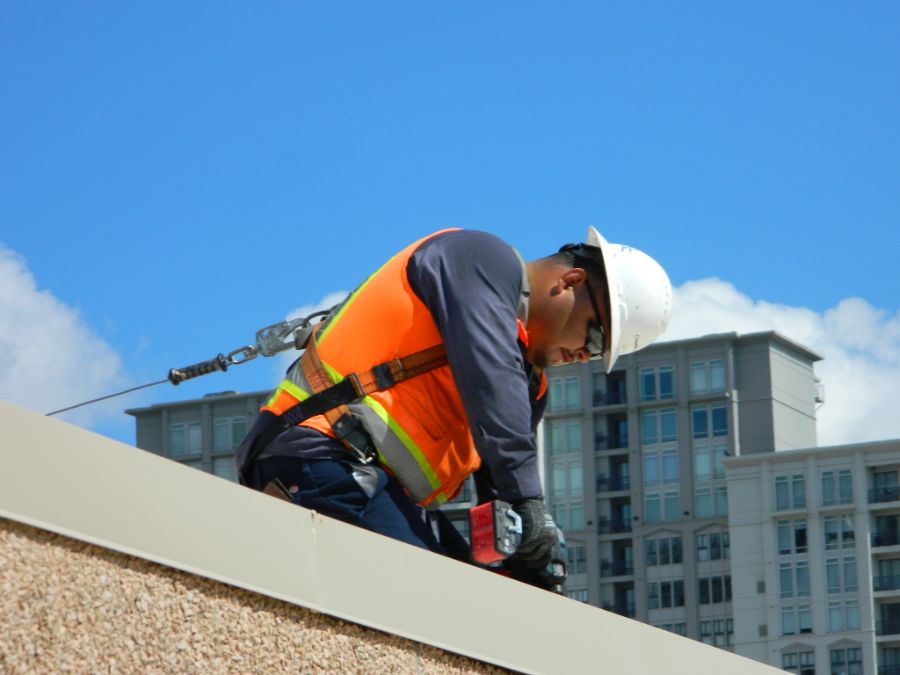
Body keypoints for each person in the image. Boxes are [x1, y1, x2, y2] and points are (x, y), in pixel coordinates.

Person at [235, 227, 671, 590]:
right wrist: (529, 502)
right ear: (571, 282)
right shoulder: (479, 259)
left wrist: (528, 563)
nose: (583, 355)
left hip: (373, 484)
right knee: (436, 607)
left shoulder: (530, 386)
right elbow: (490, 377)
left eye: (597, 356)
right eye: (595, 338)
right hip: (319, 455)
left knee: (478, 604)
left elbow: (502, 498)